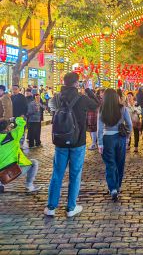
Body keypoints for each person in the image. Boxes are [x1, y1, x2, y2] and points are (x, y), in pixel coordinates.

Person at [44, 72, 99, 218]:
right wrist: (87, 89)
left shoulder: (57, 97)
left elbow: (50, 106)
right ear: (76, 83)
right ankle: (71, 207)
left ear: (64, 82)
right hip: (78, 141)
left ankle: (51, 207)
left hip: (61, 141)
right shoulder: (82, 98)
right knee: (75, 175)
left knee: (57, 174)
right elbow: (97, 104)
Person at [97, 88, 132, 201]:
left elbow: (100, 129)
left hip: (108, 138)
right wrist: (127, 138)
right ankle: (118, 186)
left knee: (110, 164)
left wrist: (100, 143)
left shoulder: (102, 109)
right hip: (120, 138)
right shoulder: (123, 108)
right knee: (120, 163)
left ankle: (113, 189)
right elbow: (130, 125)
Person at [0, 117, 40, 194]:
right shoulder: (13, 135)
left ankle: (0, 184)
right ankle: (30, 185)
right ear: (7, 127)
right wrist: (14, 119)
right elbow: (22, 123)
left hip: (1, 172)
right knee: (34, 163)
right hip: (13, 171)